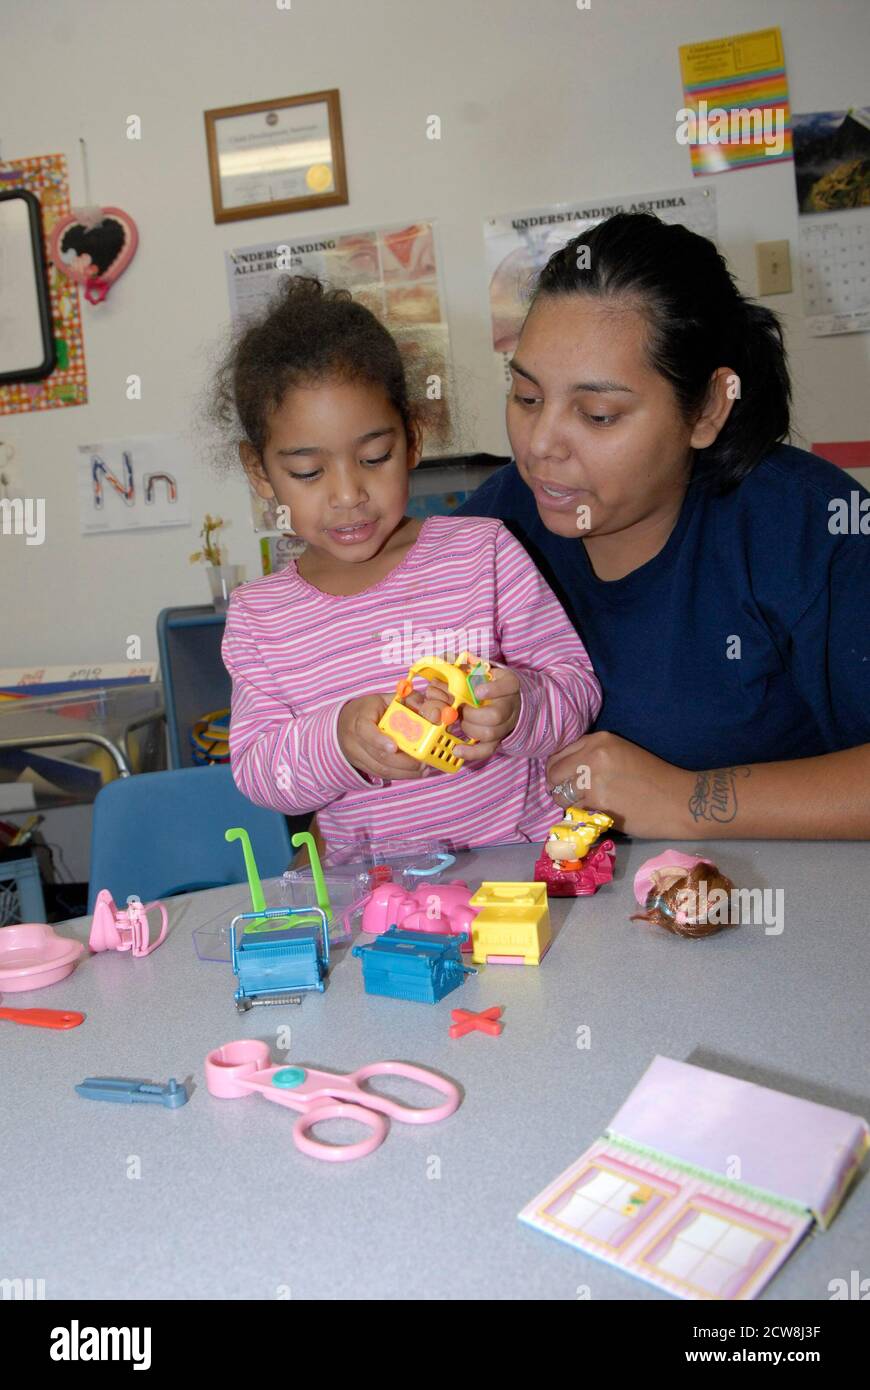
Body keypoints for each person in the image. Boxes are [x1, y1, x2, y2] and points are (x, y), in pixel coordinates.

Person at [455, 213, 870, 839]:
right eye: (527, 397)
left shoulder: (809, 527)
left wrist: (686, 800)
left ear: (705, 410)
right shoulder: (494, 526)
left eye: (597, 415)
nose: (540, 445)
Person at [215, 276, 601, 852]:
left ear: (413, 439)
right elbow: (260, 771)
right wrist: (339, 741)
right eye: (308, 472)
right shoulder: (259, 618)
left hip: (525, 865)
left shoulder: (482, 553)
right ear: (259, 471)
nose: (348, 494)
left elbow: (577, 689)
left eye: (375, 457)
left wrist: (520, 709)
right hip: (380, 896)